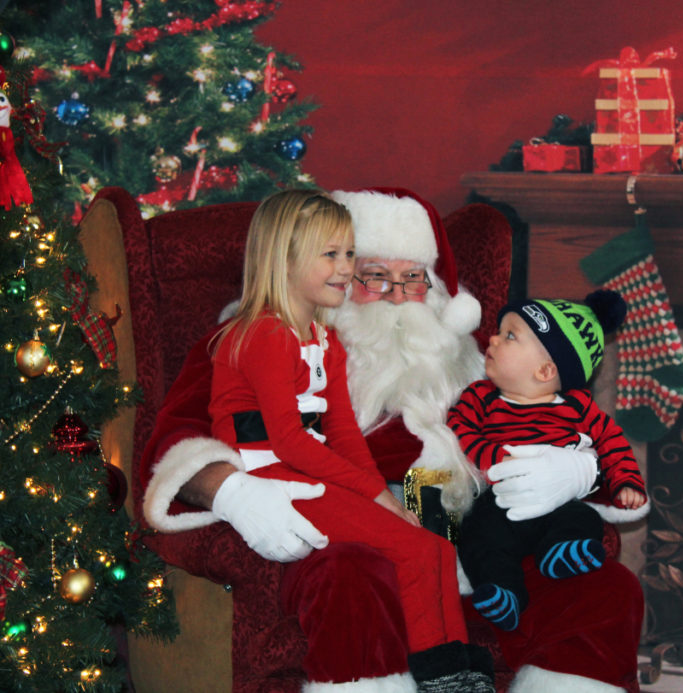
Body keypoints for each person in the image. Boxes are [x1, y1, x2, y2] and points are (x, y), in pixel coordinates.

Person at [141, 187, 645, 692]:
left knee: (606, 589)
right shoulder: (247, 338)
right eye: (375, 276)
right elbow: (174, 441)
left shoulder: (475, 365)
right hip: (340, 531)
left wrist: (579, 470)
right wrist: (232, 491)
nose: (399, 296)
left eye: (413, 278)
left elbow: (555, 423)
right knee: (355, 577)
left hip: (478, 534)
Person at [204, 188, 493, 692]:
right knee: (419, 550)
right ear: (286, 259)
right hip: (278, 482)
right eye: (331, 255)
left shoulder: (323, 340)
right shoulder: (263, 336)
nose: (344, 268)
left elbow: (341, 433)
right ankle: (441, 675)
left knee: (436, 548)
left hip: (310, 474)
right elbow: (291, 444)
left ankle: (457, 669)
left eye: (349, 254)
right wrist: (372, 495)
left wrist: (383, 499)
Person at [448, 291, 649, 632]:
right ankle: (504, 592)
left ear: (545, 370)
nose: (493, 339)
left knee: (582, 517)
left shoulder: (578, 408)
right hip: (499, 503)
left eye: (510, 335)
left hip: (558, 505)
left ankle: (562, 553)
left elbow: (612, 444)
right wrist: (495, 459)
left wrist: (627, 482)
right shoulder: (479, 396)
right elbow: (458, 429)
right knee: (478, 534)